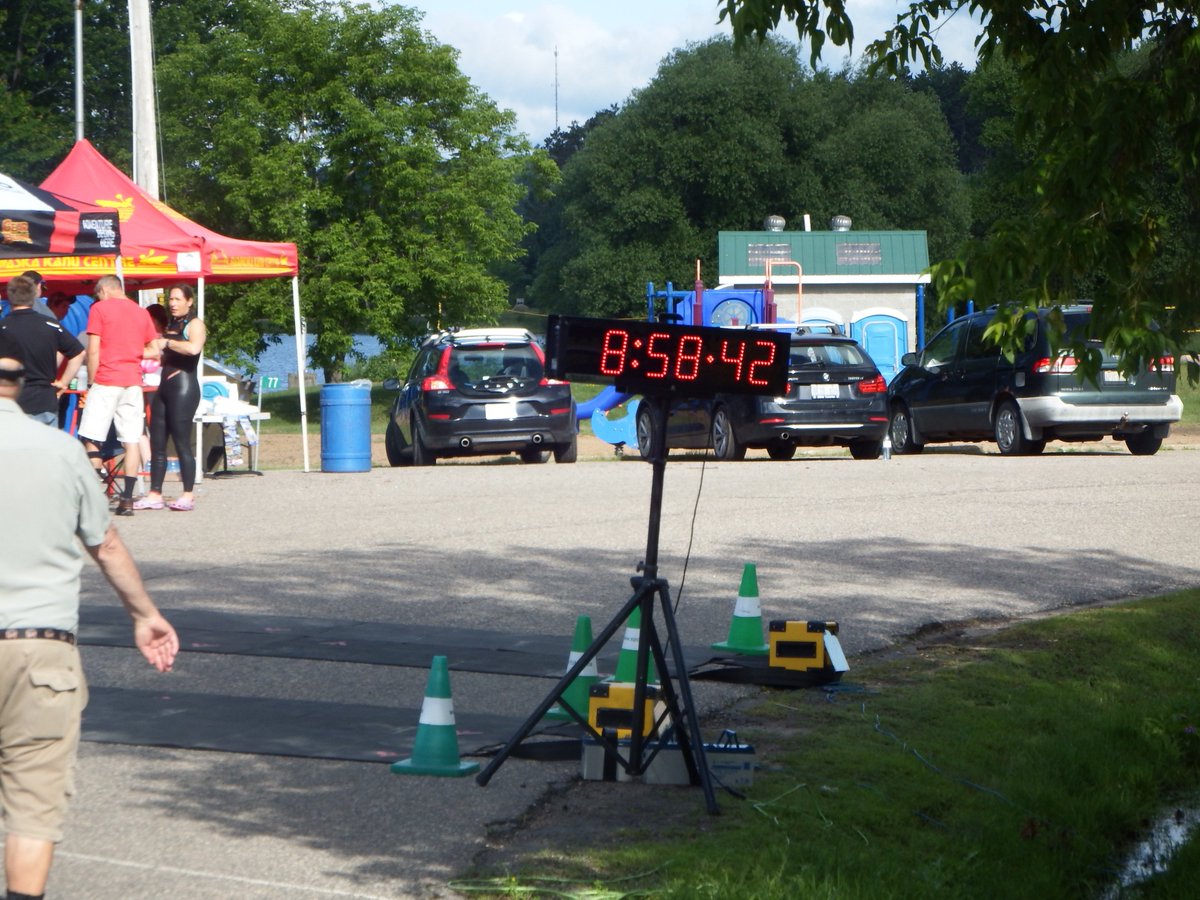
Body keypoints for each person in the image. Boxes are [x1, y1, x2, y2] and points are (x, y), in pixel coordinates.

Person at [0, 345, 179, 900]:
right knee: (33, 804)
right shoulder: (60, 451)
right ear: (23, 389)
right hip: (39, 647)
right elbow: (106, 543)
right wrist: (145, 615)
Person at [76, 275, 160, 516]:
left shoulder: (100, 309)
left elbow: (93, 350)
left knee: (91, 435)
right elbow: (154, 351)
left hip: (106, 379)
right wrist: (131, 350)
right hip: (132, 382)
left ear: (104, 290)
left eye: (97, 294)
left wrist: (91, 381)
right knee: (131, 439)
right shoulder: (141, 312)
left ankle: (95, 493)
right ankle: (127, 499)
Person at [136, 285, 206, 512]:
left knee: (181, 442)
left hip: (184, 387)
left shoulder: (194, 324)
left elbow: (194, 348)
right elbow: (154, 351)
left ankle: (188, 495)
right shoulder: (171, 325)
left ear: (189, 301)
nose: (173, 303)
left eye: (177, 299)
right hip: (164, 387)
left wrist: (168, 343)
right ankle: (155, 493)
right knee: (157, 442)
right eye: (171, 300)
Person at [0, 276, 85, 426]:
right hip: (44, 400)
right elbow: (78, 353)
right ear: (33, 296)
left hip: (12, 401)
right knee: (46, 448)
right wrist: (63, 383)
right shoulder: (50, 324)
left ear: (9, 296)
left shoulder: (3, 327)